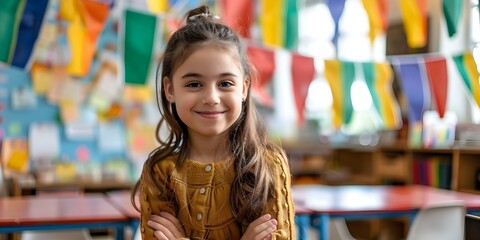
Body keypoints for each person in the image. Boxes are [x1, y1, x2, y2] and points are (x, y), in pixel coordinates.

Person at [132, 5, 296, 240]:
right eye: (194, 84)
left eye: (226, 83)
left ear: (244, 88)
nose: (211, 98)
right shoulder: (160, 172)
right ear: (170, 89)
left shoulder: (267, 167)